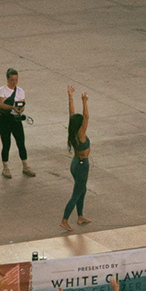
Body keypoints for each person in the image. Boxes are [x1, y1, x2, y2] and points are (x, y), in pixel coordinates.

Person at [63, 86, 92, 227]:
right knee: (77, 193)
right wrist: (84, 102)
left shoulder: (72, 129)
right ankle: (64, 220)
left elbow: (72, 113)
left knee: (82, 190)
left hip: (75, 163)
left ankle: (80, 216)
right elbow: (86, 117)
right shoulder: (81, 134)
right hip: (82, 165)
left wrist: (70, 97)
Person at [0, 69, 35, 177]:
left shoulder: (20, 91)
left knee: (21, 143)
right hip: (5, 120)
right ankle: (5, 168)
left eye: (16, 80)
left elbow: (22, 104)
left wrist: (20, 109)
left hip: (15, 120)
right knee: (6, 144)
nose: (14, 82)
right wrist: (12, 107)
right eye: (12, 80)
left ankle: (25, 166)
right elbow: (1, 104)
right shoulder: (2, 90)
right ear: (7, 79)